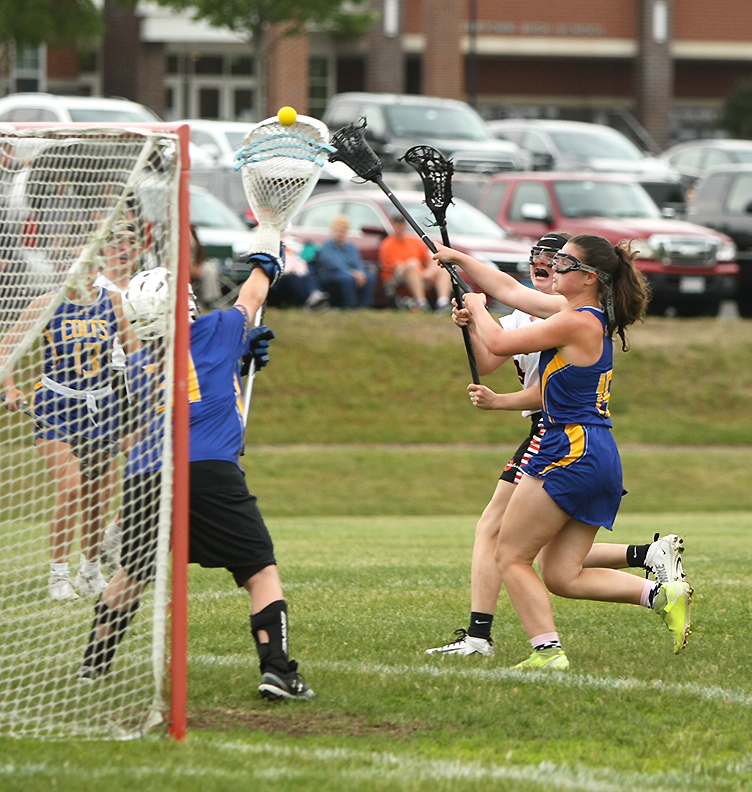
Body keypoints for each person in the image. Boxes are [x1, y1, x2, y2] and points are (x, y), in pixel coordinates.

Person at [432, 234, 693, 669]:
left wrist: (476, 309)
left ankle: (547, 652)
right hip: (597, 453)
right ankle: (661, 595)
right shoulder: (579, 315)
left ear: (589, 277)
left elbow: (498, 345)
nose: (553, 266)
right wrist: (459, 258)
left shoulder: (575, 321)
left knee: (510, 555)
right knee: (560, 574)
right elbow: (510, 289)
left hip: (569, 449)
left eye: (565, 262)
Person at [77, 253, 315, 701]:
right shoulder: (217, 328)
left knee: (133, 571)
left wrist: (239, 358)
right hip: (207, 469)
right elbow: (252, 295)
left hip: (146, 475)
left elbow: (191, 381)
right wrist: (268, 258)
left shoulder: (139, 362)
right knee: (259, 571)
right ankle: (278, 672)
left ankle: (93, 663)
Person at [1, 261, 137, 601]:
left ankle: (89, 572)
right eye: (77, 264)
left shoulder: (113, 302)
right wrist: (10, 387)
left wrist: (148, 384)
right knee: (72, 489)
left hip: (102, 407)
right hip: (56, 406)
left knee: (97, 498)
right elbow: (7, 347)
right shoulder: (47, 303)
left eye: (91, 264)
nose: (84, 271)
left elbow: (135, 351)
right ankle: (58, 577)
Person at [379, 214, 452, 312]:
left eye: (401, 224)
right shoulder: (387, 244)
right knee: (412, 264)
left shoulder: (413, 241)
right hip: (398, 277)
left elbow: (428, 258)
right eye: (397, 224)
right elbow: (398, 267)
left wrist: (431, 270)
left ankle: (443, 302)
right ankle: (421, 303)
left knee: (442, 267)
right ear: (392, 225)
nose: (399, 227)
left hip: (419, 274)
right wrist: (420, 272)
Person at [315, 214, 376, 309]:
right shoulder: (326, 246)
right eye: (338, 230)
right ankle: (350, 305)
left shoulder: (351, 247)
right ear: (333, 230)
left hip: (350, 273)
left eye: (343, 230)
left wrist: (360, 273)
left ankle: (366, 306)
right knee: (347, 278)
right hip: (331, 274)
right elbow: (334, 265)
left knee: (369, 276)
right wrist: (353, 273)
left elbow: (357, 262)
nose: (340, 233)